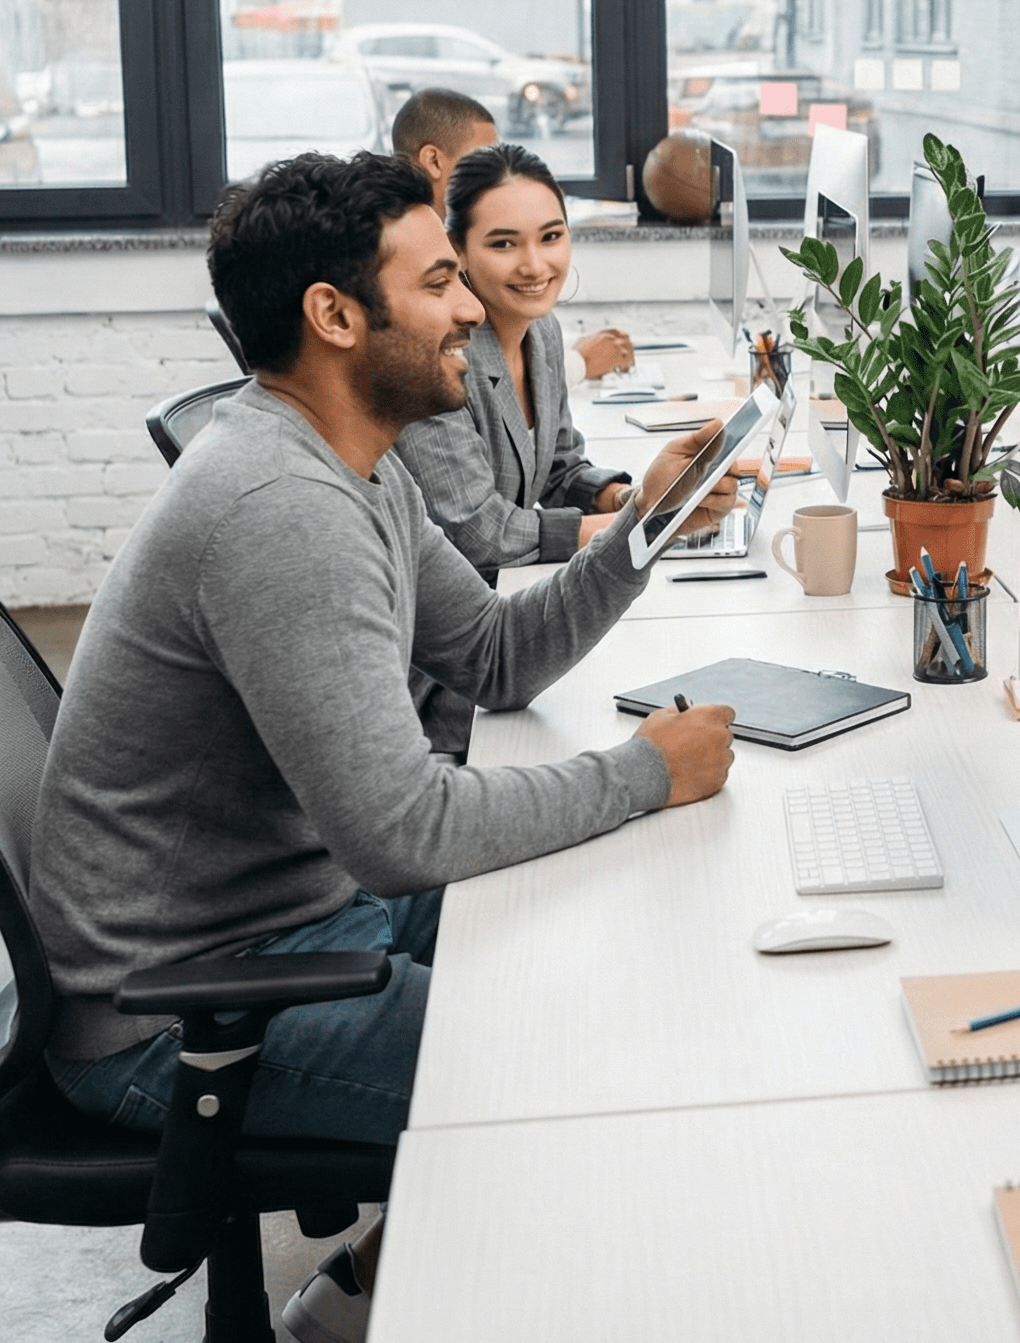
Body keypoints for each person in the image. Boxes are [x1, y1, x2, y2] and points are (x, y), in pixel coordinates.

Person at [31, 151, 741, 1342]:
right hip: (180, 1014)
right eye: (442, 281)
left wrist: (640, 530)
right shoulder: (282, 509)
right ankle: (393, 1304)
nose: (474, 306)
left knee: (613, 948)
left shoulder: (348, 460)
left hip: (296, 919)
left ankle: (350, 1292)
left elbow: (497, 657)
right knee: (598, 1062)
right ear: (335, 314)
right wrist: (640, 771)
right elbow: (404, 829)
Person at [396, 143, 639, 752]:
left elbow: (558, 466)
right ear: (459, 253)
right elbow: (481, 531)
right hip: (452, 680)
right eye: (503, 244)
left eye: (551, 236)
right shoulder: (440, 359)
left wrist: (617, 494)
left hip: (521, 619)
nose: (535, 264)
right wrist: (637, 524)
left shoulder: (543, 334)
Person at [390, 86, 632, 381]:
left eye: (551, 237)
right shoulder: (406, 255)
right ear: (433, 161)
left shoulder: (542, 330)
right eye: (483, 156)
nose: (494, 170)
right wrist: (577, 365)